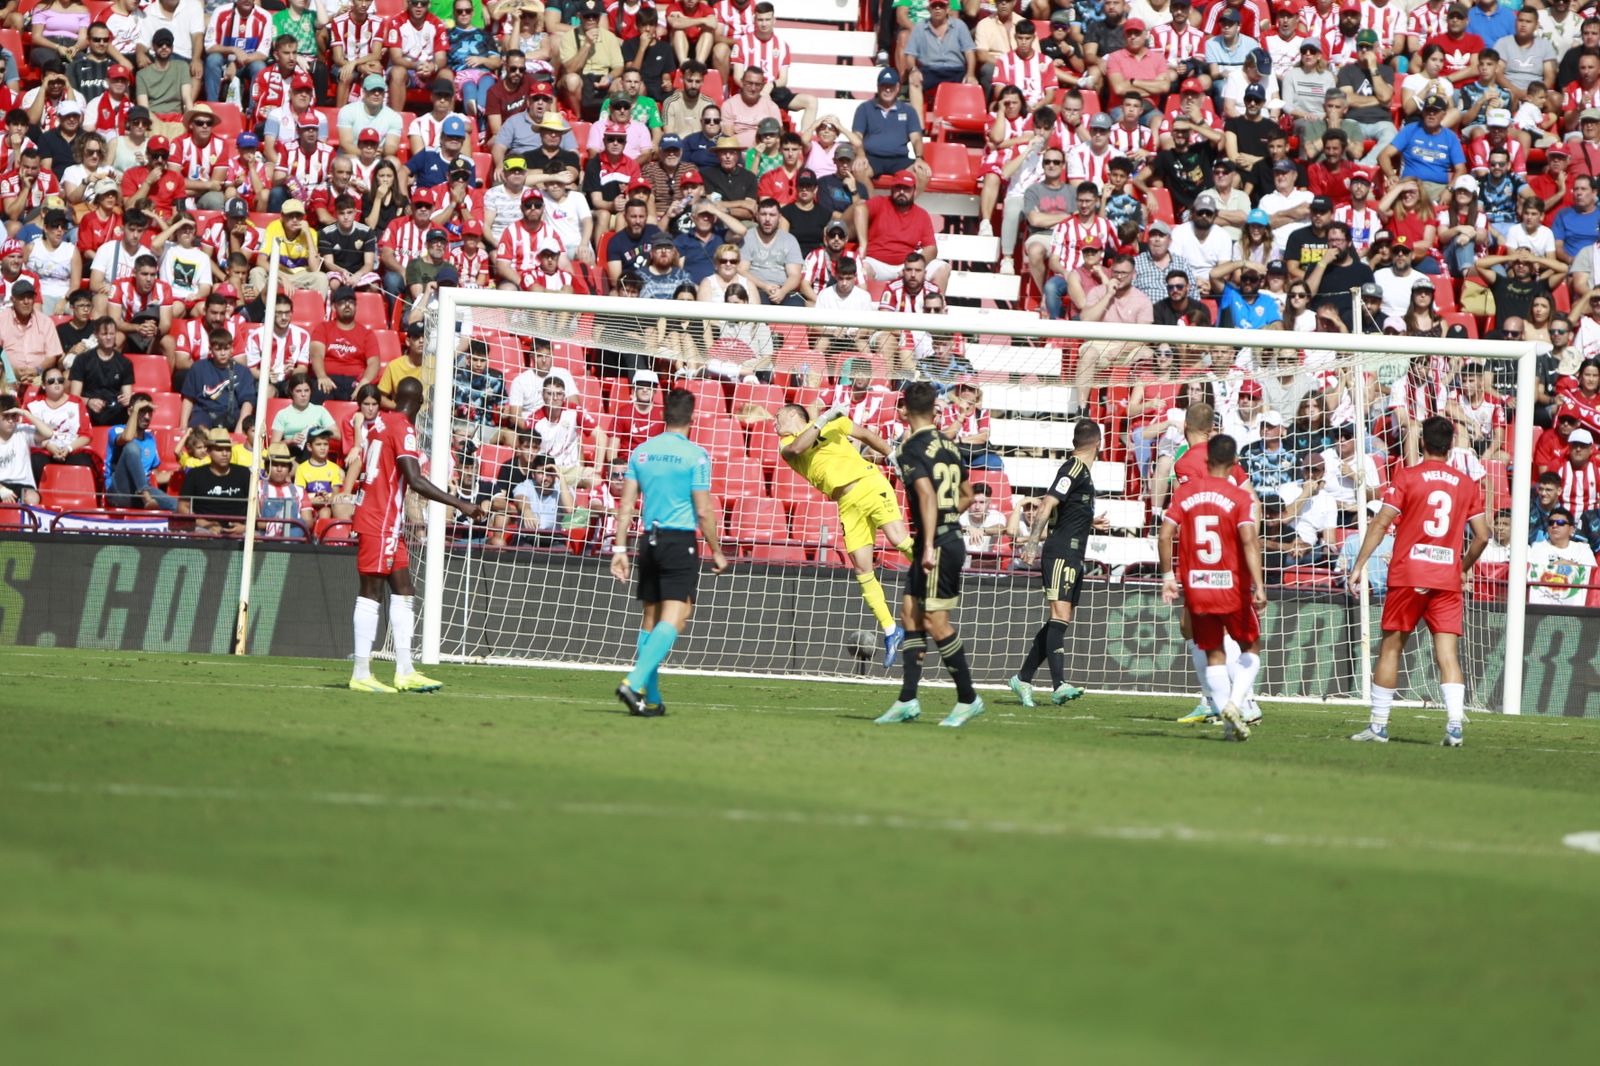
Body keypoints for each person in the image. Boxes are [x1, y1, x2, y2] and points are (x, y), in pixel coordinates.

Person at [1348, 416, 1490, 746]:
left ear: (1422, 442)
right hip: (1445, 578)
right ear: (1452, 445)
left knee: (1391, 648)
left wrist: (1359, 565)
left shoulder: (1408, 476)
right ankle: (1455, 725)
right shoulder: (1467, 484)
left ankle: (1379, 726)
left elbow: (1381, 523)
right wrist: (1462, 566)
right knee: (1448, 654)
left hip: (1409, 575)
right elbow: (1482, 536)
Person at [349, 377, 486, 694]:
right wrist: (460, 503)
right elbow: (414, 479)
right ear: (421, 402)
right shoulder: (402, 427)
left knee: (404, 589)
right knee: (370, 591)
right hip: (379, 518)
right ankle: (360, 672)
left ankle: (405, 670)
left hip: (385, 519)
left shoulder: (380, 423)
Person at [610, 387, 728, 716]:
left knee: (650, 620)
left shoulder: (642, 452)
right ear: (692, 417)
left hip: (648, 541)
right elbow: (703, 511)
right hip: (678, 542)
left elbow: (628, 504)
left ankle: (652, 698)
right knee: (676, 619)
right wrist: (717, 551)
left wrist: (620, 548)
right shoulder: (696, 455)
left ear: (663, 414)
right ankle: (633, 683)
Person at [775, 400, 914, 663]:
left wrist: (891, 455)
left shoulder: (835, 423)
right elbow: (798, 447)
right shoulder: (786, 444)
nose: (774, 422)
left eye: (778, 416)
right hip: (847, 503)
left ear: (794, 414)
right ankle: (891, 630)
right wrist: (823, 418)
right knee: (862, 570)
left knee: (898, 539)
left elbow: (864, 434)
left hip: (869, 483)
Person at [876, 381, 981, 728]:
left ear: (904, 410)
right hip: (942, 536)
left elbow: (925, 496)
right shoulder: (948, 445)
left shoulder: (912, 447)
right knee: (909, 614)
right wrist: (947, 519)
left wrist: (932, 541)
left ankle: (968, 698)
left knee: (937, 623)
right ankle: (908, 699)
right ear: (934, 409)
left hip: (936, 542)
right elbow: (966, 493)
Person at [1160, 432, 1267, 741]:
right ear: (1235, 463)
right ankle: (1238, 703)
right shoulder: (1241, 497)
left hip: (1197, 583)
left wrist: (1169, 578)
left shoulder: (1186, 492)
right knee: (1250, 646)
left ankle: (1226, 715)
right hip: (1231, 583)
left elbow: (1165, 534)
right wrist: (1259, 584)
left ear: (1206, 460)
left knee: (1213, 653)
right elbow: (1248, 540)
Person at [1007, 419, 1106, 707]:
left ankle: (1023, 678)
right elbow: (1047, 504)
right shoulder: (1073, 468)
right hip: (1061, 552)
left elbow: (1066, 508)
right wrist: (1032, 543)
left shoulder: (1082, 473)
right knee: (1059, 615)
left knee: (1059, 620)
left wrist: (1089, 520)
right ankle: (1059, 684)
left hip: (1074, 553)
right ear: (1098, 443)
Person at [1527, 505, 1598, 604]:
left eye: (1560, 523)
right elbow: (1534, 573)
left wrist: (1567, 564)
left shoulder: (1583, 548)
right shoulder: (1537, 548)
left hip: (1577, 605)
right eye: (1551, 522)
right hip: (1545, 602)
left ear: (1572, 530)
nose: (1554, 525)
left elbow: (1592, 574)